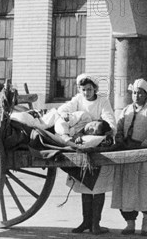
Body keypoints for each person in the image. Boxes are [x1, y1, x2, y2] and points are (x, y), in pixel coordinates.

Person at [58, 74, 117, 235]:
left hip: (97, 142)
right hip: (81, 140)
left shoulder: (102, 101)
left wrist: (108, 130)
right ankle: (86, 221)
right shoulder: (78, 100)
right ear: (80, 89)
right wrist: (65, 116)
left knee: (98, 188)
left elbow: (109, 119)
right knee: (84, 186)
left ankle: (95, 224)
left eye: (89, 89)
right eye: (83, 90)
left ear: (95, 89)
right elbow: (64, 109)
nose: (86, 93)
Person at [111, 79, 147, 236]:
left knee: (146, 191)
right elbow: (118, 129)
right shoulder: (125, 111)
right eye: (134, 93)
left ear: (146, 95)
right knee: (128, 191)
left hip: (144, 158)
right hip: (127, 157)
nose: (137, 96)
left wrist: (140, 147)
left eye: (140, 93)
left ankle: (146, 225)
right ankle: (130, 224)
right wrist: (119, 139)